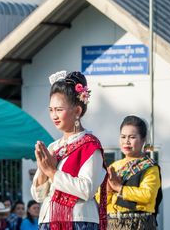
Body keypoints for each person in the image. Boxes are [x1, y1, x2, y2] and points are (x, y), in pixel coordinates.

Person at [31, 71, 107, 230]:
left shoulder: (90, 146)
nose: (54, 115)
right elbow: (38, 196)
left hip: (78, 220)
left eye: (59, 109)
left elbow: (86, 189)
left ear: (77, 111)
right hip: (49, 219)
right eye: (51, 110)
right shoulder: (53, 147)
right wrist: (43, 170)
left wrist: (52, 172)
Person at [100, 115, 162, 230]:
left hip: (139, 224)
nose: (126, 142)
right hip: (112, 224)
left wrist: (119, 188)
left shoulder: (150, 167)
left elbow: (148, 195)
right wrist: (108, 190)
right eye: (123, 137)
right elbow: (100, 202)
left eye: (132, 137)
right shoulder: (114, 166)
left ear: (143, 139)